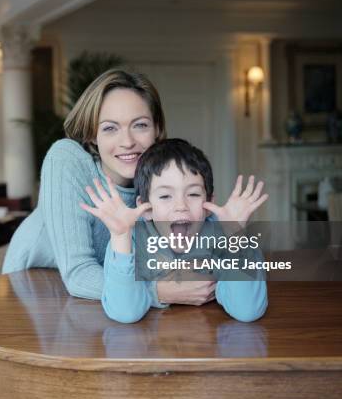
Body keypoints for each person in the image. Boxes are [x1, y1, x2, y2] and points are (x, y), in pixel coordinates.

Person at [2, 70, 215, 307]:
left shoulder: (157, 179)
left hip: (98, 300)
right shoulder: (66, 160)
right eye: (110, 128)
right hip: (31, 293)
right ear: (92, 134)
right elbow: (79, 274)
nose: (127, 142)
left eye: (140, 125)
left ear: (157, 129)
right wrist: (158, 291)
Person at [80, 138, 269, 323]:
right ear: (146, 209)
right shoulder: (130, 239)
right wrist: (121, 237)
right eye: (165, 196)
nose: (181, 206)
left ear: (208, 203)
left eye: (193, 194)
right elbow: (124, 312)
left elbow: (247, 310)